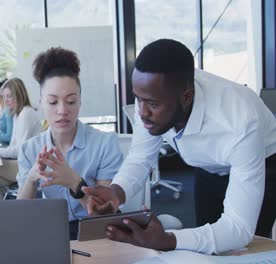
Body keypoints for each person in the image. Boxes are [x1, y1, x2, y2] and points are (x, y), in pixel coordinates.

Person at [83, 39, 276, 254]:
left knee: (247, 249)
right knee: (208, 246)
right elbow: (140, 157)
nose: (142, 112)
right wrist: (116, 191)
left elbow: (238, 229)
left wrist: (167, 240)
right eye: (138, 99)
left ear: (186, 97)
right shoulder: (153, 96)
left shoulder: (241, 121)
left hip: (263, 161)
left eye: (152, 104)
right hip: (207, 165)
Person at [16, 47, 123, 240]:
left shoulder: (105, 144)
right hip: (51, 234)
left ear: (80, 102)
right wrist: (31, 179)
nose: (62, 110)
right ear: (41, 104)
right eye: (53, 102)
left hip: (95, 235)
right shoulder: (29, 149)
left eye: (71, 101)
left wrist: (74, 182)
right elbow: (20, 215)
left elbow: (104, 217)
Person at [0, 78, 41, 200]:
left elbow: (18, 151)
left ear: (19, 95)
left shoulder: (26, 113)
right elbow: (14, 146)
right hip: (21, 163)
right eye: (4, 96)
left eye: (9, 96)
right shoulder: (17, 114)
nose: (6, 100)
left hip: (29, 167)